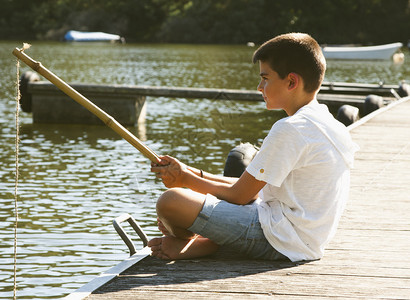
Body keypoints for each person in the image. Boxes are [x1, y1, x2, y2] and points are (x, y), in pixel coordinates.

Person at [148, 33, 359, 262]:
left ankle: (202, 244)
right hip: (298, 234)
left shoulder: (291, 129)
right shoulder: (327, 123)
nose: (260, 87)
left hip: (282, 239)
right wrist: (188, 173)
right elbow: (252, 190)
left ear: (291, 82)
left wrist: (185, 181)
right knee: (180, 205)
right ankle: (202, 243)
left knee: (170, 202)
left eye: (265, 78)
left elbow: (239, 196)